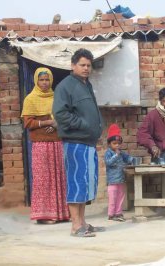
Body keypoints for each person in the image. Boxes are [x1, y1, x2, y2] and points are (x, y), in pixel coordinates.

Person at [53, 48, 104, 237]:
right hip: (75, 142)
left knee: (85, 184)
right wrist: (83, 125)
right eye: (82, 65)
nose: (86, 68)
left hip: (88, 142)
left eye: (88, 65)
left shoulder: (86, 84)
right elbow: (60, 114)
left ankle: (82, 222)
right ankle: (75, 226)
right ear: (73, 65)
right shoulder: (65, 86)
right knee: (76, 183)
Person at [21, 67, 70, 224]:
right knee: (43, 179)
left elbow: (65, 116)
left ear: (51, 80)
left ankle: (60, 214)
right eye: (41, 80)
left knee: (58, 177)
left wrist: (57, 124)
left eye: (47, 79)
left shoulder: (57, 97)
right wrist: (47, 122)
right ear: (36, 80)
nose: (44, 83)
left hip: (57, 142)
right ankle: (43, 216)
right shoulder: (30, 99)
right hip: (41, 144)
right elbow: (28, 123)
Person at [104, 124, 133, 222]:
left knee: (121, 197)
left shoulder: (121, 152)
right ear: (109, 144)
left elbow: (127, 158)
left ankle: (118, 213)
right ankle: (111, 214)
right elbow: (108, 163)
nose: (117, 145)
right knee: (113, 198)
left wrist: (132, 159)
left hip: (120, 179)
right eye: (114, 143)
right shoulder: (108, 153)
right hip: (112, 181)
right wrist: (116, 155)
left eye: (119, 143)